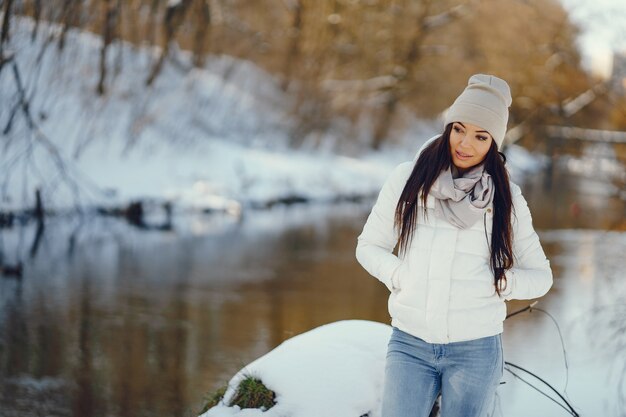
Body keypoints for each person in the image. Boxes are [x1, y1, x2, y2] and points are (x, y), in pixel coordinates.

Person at [355, 74, 553, 417]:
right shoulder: (408, 179)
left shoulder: (507, 199)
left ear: (494, 142)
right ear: (448, 126)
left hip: (476, 350)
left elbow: (542, 276)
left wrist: (503, 282)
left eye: (481, 136)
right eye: (459, 129)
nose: (465, 144)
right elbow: (368, 246)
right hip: (410, 344)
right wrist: (400, 275)